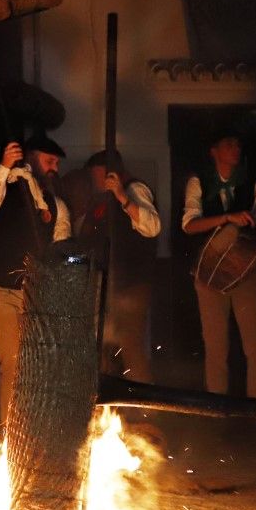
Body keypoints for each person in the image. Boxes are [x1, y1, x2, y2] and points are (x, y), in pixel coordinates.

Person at [0, 137, 72, 424]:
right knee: (14, 363)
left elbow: (61, 245)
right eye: (49, 161)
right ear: (31, 157)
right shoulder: (6, 187)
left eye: (57, 163)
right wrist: (4, 166)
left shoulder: (55, 203)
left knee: (39, 365)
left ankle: (35, 429)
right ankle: (11, 437)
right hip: (1, 292)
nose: (54, 167)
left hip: (36, 295)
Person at [181, 129, 256, 398]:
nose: (235, 149)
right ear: (214, 151)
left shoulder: (251, 184)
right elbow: (189, 226)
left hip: (246, 273)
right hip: (209, 276)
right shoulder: (198, 182)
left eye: (238, 144)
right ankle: (217, 408)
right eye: (228, 144)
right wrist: (227, 218)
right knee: (216, 348)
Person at [77, 150, 160, 381]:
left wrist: (123, 197)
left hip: (129, 284)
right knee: (99, 346)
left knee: (131, 346)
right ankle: (102, 407)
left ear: (112, 174)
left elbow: (151, 226)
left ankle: (144, 410)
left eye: (97, 177)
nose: (95, 182)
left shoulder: (134, 191)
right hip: (102, 285)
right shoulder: (100, 201)